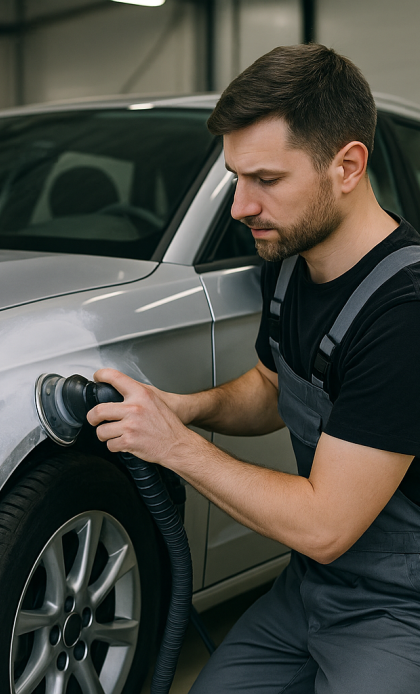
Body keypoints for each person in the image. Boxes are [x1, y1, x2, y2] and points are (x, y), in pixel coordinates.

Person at [87, 43, 420, 693]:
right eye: (237, 177)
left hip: (401, 606)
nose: (240, 206)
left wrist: (177, 447)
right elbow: (272, 388)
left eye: (265, 180)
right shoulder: (294, 267)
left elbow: (326, 525)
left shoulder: (405, 313)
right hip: (310, 587)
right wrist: (186, 408)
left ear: (347, 166)